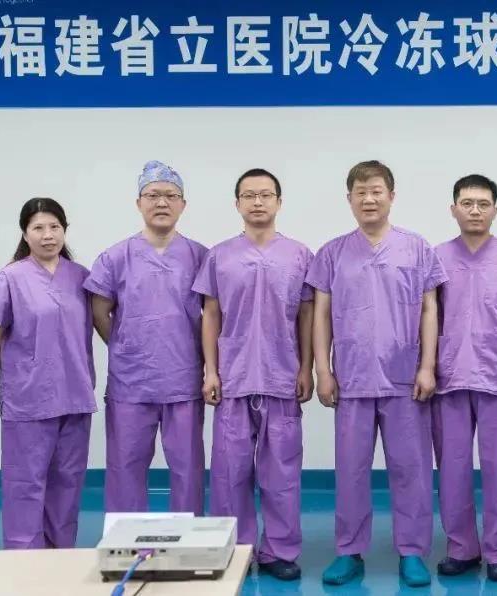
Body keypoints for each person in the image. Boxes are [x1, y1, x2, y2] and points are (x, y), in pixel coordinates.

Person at [307, 160, 447, 587]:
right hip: (351, 378)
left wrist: (427, 366)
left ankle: (412, 551)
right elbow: (321, 314)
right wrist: (323, 369)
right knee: (350, 470)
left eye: (376, 191)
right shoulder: (332, 253)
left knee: (412, 469)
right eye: (360, 192)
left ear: (392, 195)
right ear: (349, 198)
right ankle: (349, 550)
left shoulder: (416, 248)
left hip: (405, 379)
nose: (369, 199)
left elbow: (430, 309)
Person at [194, 168, 314, 581]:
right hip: (234, 377)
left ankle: (279, 551)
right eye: (249, 195)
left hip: (282, 376)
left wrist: (306, 367)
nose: (258, 202)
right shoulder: (219, 256)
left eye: (265, 195)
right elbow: (210, 315)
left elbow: (306, 315)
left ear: (279, 202)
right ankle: (236, 549)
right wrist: (211, 370)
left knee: (282, 472)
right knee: (230, 472)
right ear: (237, 204)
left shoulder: (300, 255)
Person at [431, 174, 497, 582]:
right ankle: (461, 548)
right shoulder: (437, 257)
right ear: (453, 209)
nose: (475, 210)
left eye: (483, 204)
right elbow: (427, 315)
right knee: (452, 469)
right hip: (450, 377)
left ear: (495, 210)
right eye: (467, 203)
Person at [84, 161, 207, 514]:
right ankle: (126, 538)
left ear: (183, 204)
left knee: (188, 468)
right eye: (153, 195)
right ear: (139, 203)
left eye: (171, 195)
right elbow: (99, 311)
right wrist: (125, 345)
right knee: (125, 467)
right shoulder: (115, 257)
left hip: (184, 379)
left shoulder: (201, 256)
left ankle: (188, 535)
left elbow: (213, 316)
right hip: (131, 382)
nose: (162, 202)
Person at [0, 198, 96, 549]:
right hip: (28, 399)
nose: (48, 235)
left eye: (55, 227)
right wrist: (20, 368)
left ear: (64, 230)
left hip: (75, 395)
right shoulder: (10, 278)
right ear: (25, 233)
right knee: (25, 483)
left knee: (68, 481)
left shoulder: (81, 277)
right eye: (38, 228)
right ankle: (25, 557)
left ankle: (61, 553)